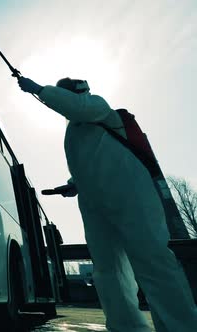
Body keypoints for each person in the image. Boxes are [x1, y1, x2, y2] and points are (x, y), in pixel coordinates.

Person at [17, 76, 197, 332]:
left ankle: (182, 327)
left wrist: (38, 89)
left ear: (76, 92)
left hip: (131, 195)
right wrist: (73, 184)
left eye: (63, 93)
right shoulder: (75, 130)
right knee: (108, 272)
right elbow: (92, 162)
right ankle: (126, 327)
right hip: (95, 204)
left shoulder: (98, 107)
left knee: (153, 262)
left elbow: (76, 107)